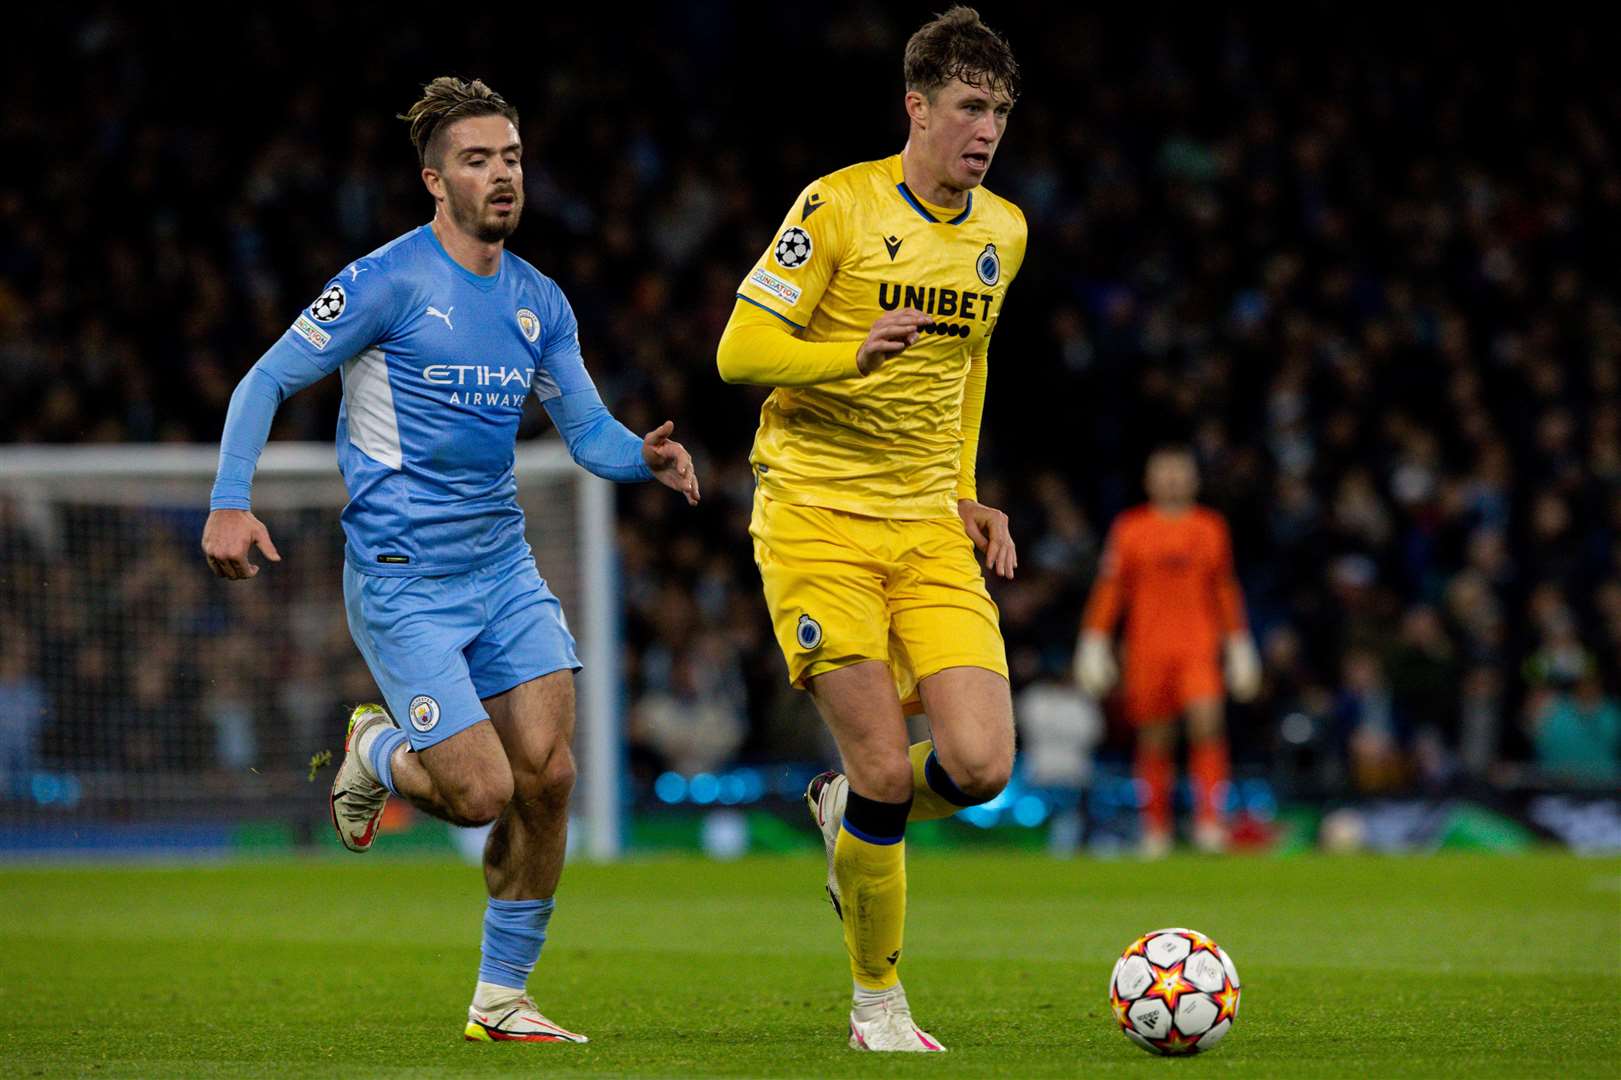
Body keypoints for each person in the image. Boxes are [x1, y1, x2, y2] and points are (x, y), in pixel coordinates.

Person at [200, 77, 699, 1044]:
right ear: (435, 180)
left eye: (510, 157)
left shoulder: (539, 302)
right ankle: (373, 746)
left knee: (548, 776)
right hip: (402, 577)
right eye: (477, 160)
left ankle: (500, 999)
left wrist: (639, 454)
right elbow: (265, 379)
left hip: (501, 568)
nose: (501, 175)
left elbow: (584, 429)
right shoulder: (383, 281)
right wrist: (228, 502)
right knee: (482, 793)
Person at [716, 6, 1025, 1052]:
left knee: (981, 767)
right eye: (968, 107)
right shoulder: (836, 205)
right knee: (889, 773)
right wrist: (842, 355)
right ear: (918, 106)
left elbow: (968, 361)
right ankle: (876, 1004)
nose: (984, 130)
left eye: (999, 112)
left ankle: (842, 812)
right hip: (814, 515)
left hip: (927, 524)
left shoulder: (1003, 232)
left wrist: (967, 487)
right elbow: (739, 348)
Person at [1075, 446, 1260, 856]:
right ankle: (1155, 830)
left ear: (1194, 479)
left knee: (1206, 724)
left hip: (1198, 645)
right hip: (1147, 648)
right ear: (1149, 480)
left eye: (1180, 472)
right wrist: (1094, 638)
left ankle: (1209, 824)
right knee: (1155, 738)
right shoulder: (1130, 528)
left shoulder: (1210, 527)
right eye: (1165, 472)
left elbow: (1224, 588)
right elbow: (1111, 587)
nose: (1173, 479)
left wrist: (1239, 642)